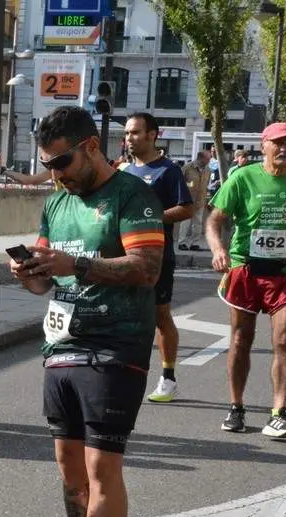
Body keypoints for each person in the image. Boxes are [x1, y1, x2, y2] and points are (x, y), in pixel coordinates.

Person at [12, 106, 164, 517]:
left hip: (115, 348)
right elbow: (44, 282)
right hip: (62, 347)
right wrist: (29, 272)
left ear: (93, 146)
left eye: (63, 161)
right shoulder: (56, 203)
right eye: (49, 164)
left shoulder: (132, 196)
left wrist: (74, 264)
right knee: (69, 470)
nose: (56, 174)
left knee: (102, 471)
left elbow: (146, 269)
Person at [207, 122, 286, 438]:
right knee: (241, 338)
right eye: (278, 143)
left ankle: (279, 412)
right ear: (264, 145)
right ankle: (236, 407)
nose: (285, 149)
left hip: (285, 270)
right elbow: (215, 219)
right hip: (246, 267)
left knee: (285, 339)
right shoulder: (243, 177)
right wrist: (218, 249)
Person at [121, 113, 195, 403]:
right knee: (128, 316)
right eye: (127, 133)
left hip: (159, 257)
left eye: (136, 133)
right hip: (126, 255)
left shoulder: (168, 170)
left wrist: (150, 219)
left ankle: (168, 377)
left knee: (160, 315)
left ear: (153, 135)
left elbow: (187, 209)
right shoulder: (124, 171)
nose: (130, 138)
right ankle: (128, 373)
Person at [179, 150, 211, 251]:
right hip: (188, 200)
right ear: (201, 158)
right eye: (208, 158)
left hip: (200, 200)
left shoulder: (208, 170)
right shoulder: (187, 168)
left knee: (198, 223)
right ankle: (182, 242)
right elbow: (180, 183)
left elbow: (206, 185)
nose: (209, 160)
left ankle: (194, 243)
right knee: (185, 222)